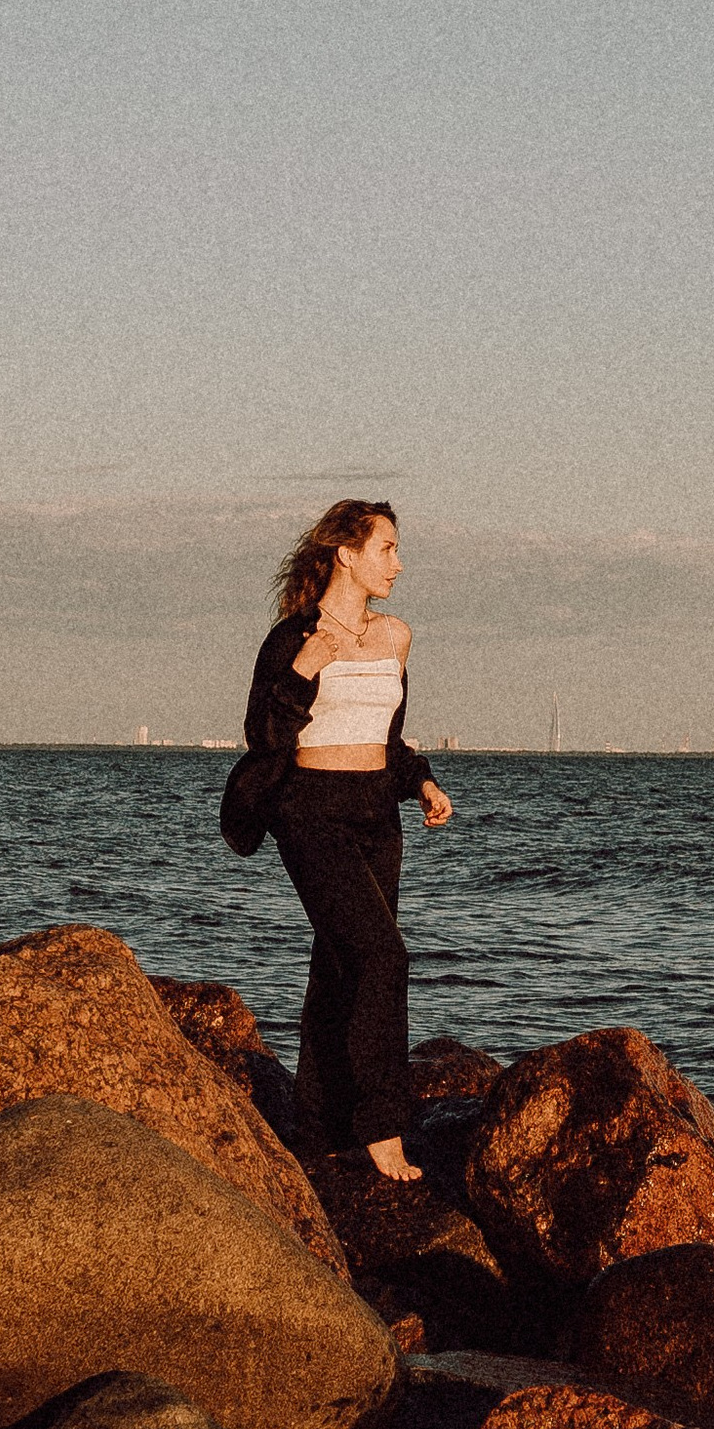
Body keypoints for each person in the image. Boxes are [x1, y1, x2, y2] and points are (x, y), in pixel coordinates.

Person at [219, 498, 453, 1181]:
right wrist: (304, 668)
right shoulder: (293, 639)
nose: (398, 564)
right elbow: (265, 736)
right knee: (385, 958)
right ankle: (383, 1125)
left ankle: (317, 1126)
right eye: (387, 549)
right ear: (346, 554)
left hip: (378, 814)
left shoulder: (396, 637)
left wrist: (423, 783)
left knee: (340, 969)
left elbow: (385, 737)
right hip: (310, 811)